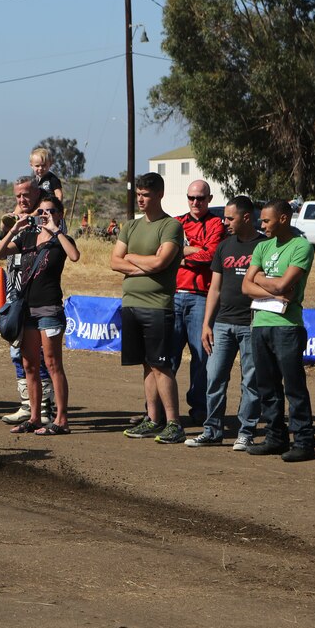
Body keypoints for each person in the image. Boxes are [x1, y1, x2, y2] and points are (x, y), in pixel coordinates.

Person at [0, 192, 79, 435]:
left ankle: (61, 420)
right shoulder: (27, 237)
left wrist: (56, 230)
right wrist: (15, 228)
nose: (45, 215)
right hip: (26, 310)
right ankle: (34, 417)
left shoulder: (62, 240)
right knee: (29, 363)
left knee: (52, 363)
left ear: (59, 215)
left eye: (50, 211)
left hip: (49, 309)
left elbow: (75, 256)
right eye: (41, 211)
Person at [110, 172, 185, 444]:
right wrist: (142, 261)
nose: (141, 199)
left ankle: (174, 422)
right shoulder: (130, 226)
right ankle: (153, 419)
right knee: (146, 364)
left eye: (146, 195)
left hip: (157, 306)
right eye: (138, 194)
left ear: (159, 195)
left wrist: (130, 258)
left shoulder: (171, 226)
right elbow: (114, 262)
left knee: (161, 365)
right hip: (131, 305)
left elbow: (160, 264)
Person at [186, 196, 264, 450]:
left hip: (252, 323)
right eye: (225, 217)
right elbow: (215, 289)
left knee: (250, 381)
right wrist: (207, 323)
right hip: (222, 323)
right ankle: (212, 430)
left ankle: (246, 432)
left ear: (246, 217)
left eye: (230, 218)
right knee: (214, 377)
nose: (225, 222)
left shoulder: (263, 245)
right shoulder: (224, 246)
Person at [241, 199, 315, 462]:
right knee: (267, 386)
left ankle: (304, 441)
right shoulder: (262, 246)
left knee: (294, 387)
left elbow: (286, 283)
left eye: (266, 220)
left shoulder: (301, 246)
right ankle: (275, 437)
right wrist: (269, 285)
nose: (261, 225)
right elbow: (246, 287)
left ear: (283, 219)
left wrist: (260, 279)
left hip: (287, 327)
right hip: (260, 324)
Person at [0, 177, 53, 425]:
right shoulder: (14, 221)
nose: (22, 200)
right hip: (14, 297)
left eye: (26, 195)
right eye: (17, 196)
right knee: (17, 352)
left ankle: (45, 406)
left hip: (38, 296)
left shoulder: (47, 218)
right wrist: (10, 226)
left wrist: (34, 220)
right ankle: (27, 404)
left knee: (40, 353)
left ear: (37, 193)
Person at [173, 180, 227, 423]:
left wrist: (180, 255)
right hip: (173, 295)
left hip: (201, 298)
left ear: (209, 199)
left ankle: (199, 409)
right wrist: (194, 250)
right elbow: (161, 251)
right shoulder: (176, 223)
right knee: (167, 357)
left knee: (202, 357)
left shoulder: (216, 223)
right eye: (191, 198)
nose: (196, 202)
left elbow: (211, 254)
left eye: (201, 198)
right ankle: (159, 410)